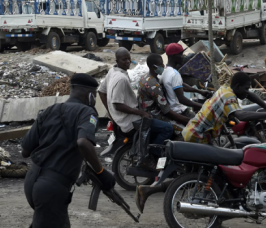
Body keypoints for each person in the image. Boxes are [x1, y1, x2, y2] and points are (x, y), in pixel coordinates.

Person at [135, 72, 266, 213]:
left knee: (196, 177)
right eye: (245, 88)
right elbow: (241, 115)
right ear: (238, 86)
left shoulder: (227, 88)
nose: (247, 92)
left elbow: (250, 95)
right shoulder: (228, 97)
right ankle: (216, 212)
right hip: (197, 137)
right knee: (208, 176)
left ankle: (147, 190)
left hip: (194, 133)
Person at [22, 73, 116, 228]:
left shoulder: (49, 111)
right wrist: (101, 172)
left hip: (32, 181)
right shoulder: (87, 112)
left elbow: (25, 151)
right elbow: (83, 143)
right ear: (91, 95)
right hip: (52, 188)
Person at [98, 47, 173, 157]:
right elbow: (118, 105)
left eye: (129, 59)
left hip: (122, 118)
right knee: (168, 128)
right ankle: (152, 156)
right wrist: (142, 113)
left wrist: (111, 113)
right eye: (124, 60)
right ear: (117, 61)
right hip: (131, 122)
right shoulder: (121, 79)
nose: (128, 62)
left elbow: (101, 91)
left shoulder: (112, 71)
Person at [138, 53, 190, 137]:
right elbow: (167, 111)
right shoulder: (154, 86)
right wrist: (187, 120)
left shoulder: (144, 77)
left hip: (145, 111)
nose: (163, 65)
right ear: (154, 67)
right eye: (160, 64)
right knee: (183, 132)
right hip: (154, 116)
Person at [160, 43, 212, 118]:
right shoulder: (175, 74)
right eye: (181, 54)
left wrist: (200, 91)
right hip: (178, 110)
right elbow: (182, 99)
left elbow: (181, 85)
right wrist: (203, 106)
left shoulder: (165, 69)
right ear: (173, 56)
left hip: (171, 108)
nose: (183, 57)